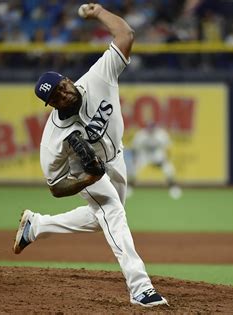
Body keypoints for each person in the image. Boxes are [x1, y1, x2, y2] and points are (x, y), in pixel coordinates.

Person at [12, 3, 168, 308]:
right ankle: (140, 287)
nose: (62, 94)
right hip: (87, 173)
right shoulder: (53, 140)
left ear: (68, 79)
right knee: (113, 212)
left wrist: (98, 12)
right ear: (51, 105)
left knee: (102, 219)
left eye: (61, 86)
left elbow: (126, 33)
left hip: (117, 157)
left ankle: (37, 226)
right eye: (54, 96)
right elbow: (55, 187)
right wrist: (86, 178)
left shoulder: (98, 76)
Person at [127, 123, 182, 199]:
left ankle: (173, 188)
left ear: (155, 129)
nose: (151, 131)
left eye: (152, 129)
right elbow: (134, 149)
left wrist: (166, 159)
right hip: (144, 156)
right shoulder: (141, 135)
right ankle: (129, 188)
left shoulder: (161, 134)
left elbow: (168, 147)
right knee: (134, 170)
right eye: (149, 129)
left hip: (157, 155)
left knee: (169, 169)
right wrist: (135, 160)